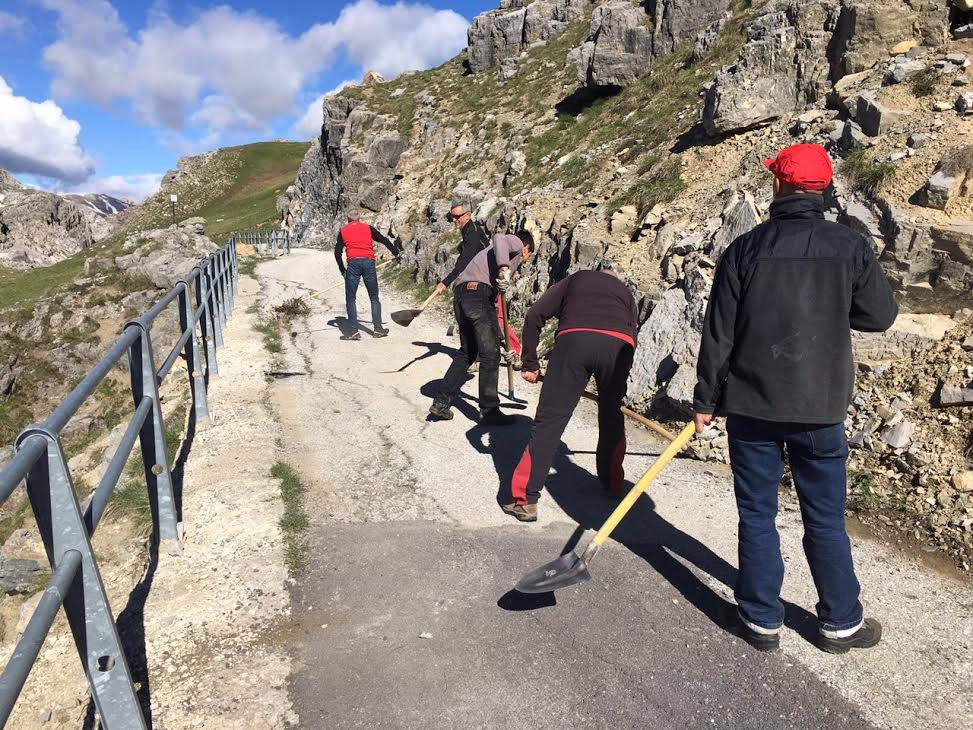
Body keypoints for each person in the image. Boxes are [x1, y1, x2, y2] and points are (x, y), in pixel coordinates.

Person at [693, 143, 898, 654]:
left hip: (751, 408)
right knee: (824, 517)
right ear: (825, 188)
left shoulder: (744, 249)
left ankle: (762, 619)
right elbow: (879, 316)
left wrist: (704, 401)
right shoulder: (849, 247)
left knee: (757, 513)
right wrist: (831, 307)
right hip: (820, 409)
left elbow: (719, 335)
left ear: (779, 185)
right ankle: (840, 624)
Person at [500, 261, 638, 522]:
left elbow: (535, 315)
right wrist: (614, 383)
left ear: (597, 273)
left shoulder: (578, 278)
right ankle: (613, 484)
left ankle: (525, 500)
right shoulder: (625, 293)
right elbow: (634, 336)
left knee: (550, 422)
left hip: (575, 340)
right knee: (611, 415)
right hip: (618, 347)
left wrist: (530, 363)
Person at [428, 220, 535, 425]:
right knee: (490, 354)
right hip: (478, 294)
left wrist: (504, 341)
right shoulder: (514, 242)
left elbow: (490, 313)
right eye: (527, 256)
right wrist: (505, 268)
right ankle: (490, 411)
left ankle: (441, 402)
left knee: (467, 352)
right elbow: (500, 238)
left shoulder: (487, 261)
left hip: (462, 295)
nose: (524, 260)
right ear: (526, 248)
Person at [335, 209, 402, 340]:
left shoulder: (343, 231)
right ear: (359, 219)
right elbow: (383, 240)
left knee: (351, 298)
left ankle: (354, 332)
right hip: (369, 262)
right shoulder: (368, 228)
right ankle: (378, 329)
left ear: (348, 220)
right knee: (373, 297)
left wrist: (343, 270)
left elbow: (337, 253)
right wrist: (396, 253)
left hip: (353, 264)